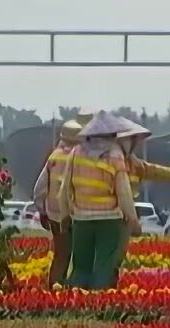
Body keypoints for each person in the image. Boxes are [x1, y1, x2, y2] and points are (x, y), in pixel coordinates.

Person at [112, 117, 170, 285]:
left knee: (115, 261)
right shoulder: (111, 161)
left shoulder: (133, 163)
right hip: (108, 217)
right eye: (132, 140)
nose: (135, 144)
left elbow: (154, 171)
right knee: (107, 261)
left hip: (121, 219)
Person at [59, 111, 141, 290]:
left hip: (81, 218)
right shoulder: (115, 154)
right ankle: (97, 300)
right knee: (104, 263)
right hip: (109, 220)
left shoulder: (76, 152)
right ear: (112, 134)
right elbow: (124, 192)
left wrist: (65, 215)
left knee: (81, 264)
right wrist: (133, 220)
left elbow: (65, 187)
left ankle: (74, 299)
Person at [33, 119, 85, 288]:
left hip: (54, 214)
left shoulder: (54, 157)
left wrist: (42, 211)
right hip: (74, 214)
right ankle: (66, 288)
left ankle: (54, 286)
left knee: (61, 254)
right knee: (76, 255)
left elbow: (39, 189)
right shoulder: (79, 158)